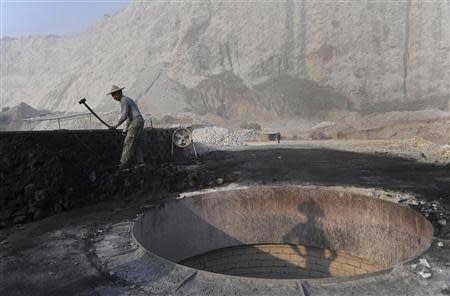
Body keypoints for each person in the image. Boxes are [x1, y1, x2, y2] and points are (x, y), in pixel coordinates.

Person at [107, 85, 145, 170]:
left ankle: (123, 163)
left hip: (135, 122)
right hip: (138, 121)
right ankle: (140, 163)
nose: (113, 97)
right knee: (136, 143)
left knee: (128, 142)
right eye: (112, 95)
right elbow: (129, 117)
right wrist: (125, 129)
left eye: (114, 94)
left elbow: (124, 115)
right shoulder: (127, 100)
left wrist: (116, 126)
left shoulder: (124, 100)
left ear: (119, 93)